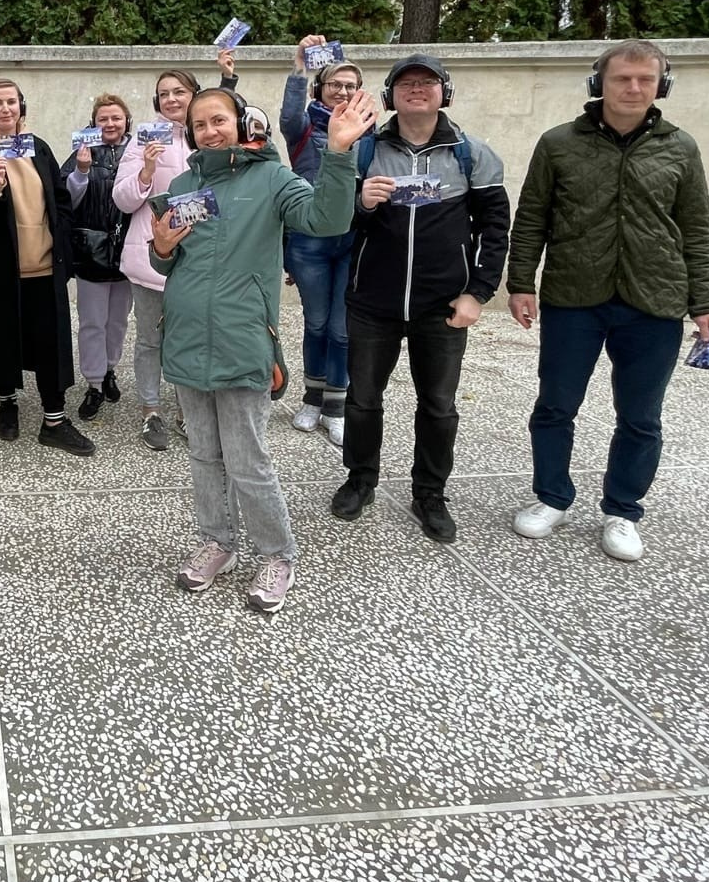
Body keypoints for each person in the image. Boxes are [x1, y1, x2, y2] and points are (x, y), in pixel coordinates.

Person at [154, 83, 375, 614]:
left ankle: (278, 554)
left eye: (219, 120)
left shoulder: (273, 178)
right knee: (203, 455)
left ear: (242, 122)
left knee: (248, 460)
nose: (210, 131)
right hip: (186, 338)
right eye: (200, 124)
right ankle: (218, 542)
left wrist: (338, 154)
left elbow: (326, 220)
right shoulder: (183, 185)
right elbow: (169, 261)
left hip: (243, 339)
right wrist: (160, 247)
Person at [507, 40, 709, 563]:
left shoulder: (681, 148)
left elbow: (695, 230)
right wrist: (520, 283)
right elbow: (531, 218)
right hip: (573, 296)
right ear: (598, 83)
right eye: (622, 78)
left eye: (645, 79)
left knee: (641, 416)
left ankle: (623, 510)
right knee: (555, 406)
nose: (633, 88)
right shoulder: (558, 144)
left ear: (661, 86)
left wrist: (705, 302)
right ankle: (552, 497)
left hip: (655, 300)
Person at [333, 55, 511, 544]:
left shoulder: (472, 154)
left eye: (427, 82)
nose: (416, 88)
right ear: (390, 96)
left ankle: (430, 493)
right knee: (363, 399)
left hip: (442, 305)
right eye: (405, 82)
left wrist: (478, 293)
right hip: (372, 301)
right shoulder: (363, 150)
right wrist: (360, 203)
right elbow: (334, 221)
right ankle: (360, 479)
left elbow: (495, 229)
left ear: (444, 93)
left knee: (438, 405)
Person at [0, 79, 93, 456]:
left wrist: (61, 242)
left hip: (45, 266)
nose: (5, 109)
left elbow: (60, 198)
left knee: (50, 345)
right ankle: (7, 404)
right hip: (2, 268)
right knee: (3, 340)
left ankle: (54, 420)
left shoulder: (39, 147)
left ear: (22, 106)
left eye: (11, 102)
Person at [111, 54, 236, 451]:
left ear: (193, 94)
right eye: (163, 94)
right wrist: (146, 171)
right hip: (151, 259)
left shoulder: (209, 135)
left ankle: (189, 409)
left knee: (192, 338)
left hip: (200, 259)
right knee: (150, 339)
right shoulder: (145, 137)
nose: (171, 99)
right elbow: (122, 198)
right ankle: (150, 410)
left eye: (178, 92)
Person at [278, 35, 363, 446]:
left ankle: (336, 405)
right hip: (308, 241)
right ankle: (313, 398)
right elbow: (287, 115)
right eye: (335, 84)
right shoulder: (305, 126)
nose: (342, 91)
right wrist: (300, 66)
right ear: (320, 88)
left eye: (350, 85)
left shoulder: (369, 130)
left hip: (353, 239)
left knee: (342, 330)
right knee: (316, 323)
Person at [61, 94, 133, 421]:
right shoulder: (82, 153)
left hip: (128, 250)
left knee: (118, 319)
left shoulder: (138, 151)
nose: (110, 124)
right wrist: (81, 170)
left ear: (126, 121)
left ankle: (109, 370)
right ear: (93, 123)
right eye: (103, 119)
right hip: (90, 249)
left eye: (116, 118)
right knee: (92, 321)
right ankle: (93, 382)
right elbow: (66, 200)